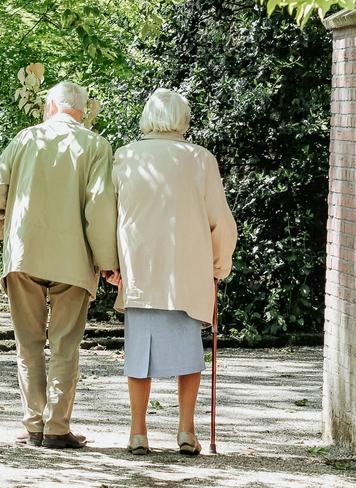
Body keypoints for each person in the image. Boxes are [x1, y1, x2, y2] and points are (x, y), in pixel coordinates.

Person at [0, 81, 119, 449]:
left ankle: (33, 425)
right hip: (74, 259)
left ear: (50, 107)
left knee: (28, 343)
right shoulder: (96, 146)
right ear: (83, 111)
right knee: (65, 345)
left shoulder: (24, 139)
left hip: (25, 254)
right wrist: (107, 262)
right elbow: (100, 206)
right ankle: (57, 428)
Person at [110, 88, 237, 456]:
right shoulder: (200, 160)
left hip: (141, 270)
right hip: (187, 271)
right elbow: (221, 223)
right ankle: (185, 430)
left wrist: (111, 264)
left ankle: (137, 432)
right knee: (188, 353)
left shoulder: (125, 157)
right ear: (183, 119)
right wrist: (218, 264)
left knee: (138, 354)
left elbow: (110, 216)